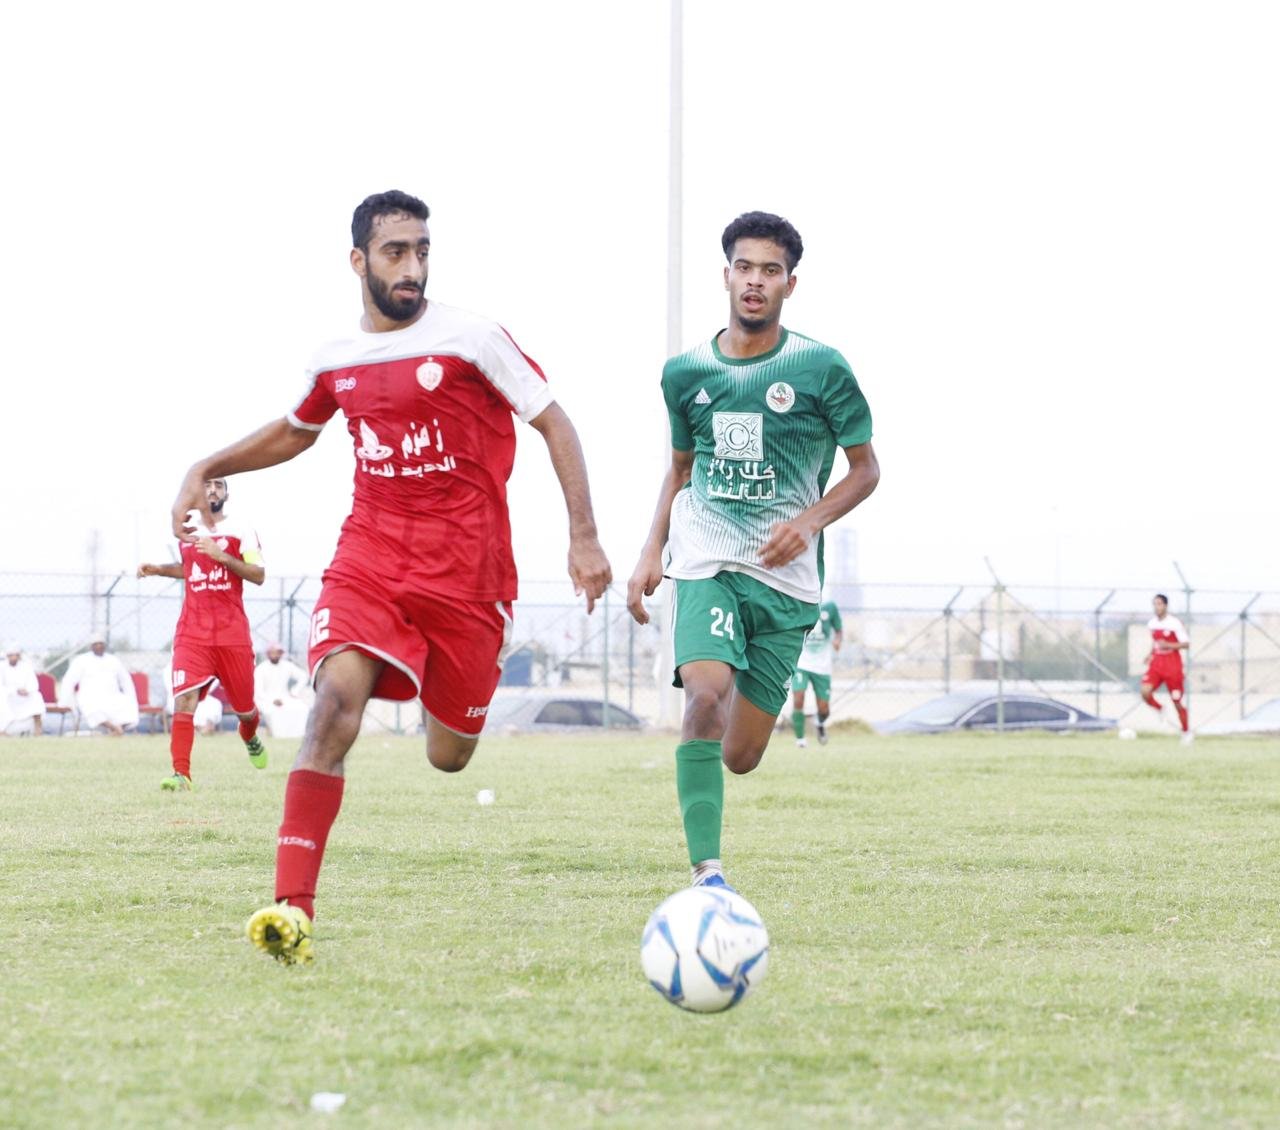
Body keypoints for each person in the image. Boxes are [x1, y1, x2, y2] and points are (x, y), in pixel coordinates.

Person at [169, 190, 611, 964]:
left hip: (469, 572)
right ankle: (291, 911)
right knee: (332, 705)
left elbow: (554, 420)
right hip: (369, 556)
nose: (412, 267)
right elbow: (296, 431)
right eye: (395, 252)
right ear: (358, 261)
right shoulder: (337, 357)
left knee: (450, 755)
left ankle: (450, 689)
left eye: (422, 251)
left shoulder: (473, 338)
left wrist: (584, 537)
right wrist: (206, 465)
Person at [627, 211, 879, 891]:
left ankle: (738, 673)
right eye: (745, 267)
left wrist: (809, 522)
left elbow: (865, 471)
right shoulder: (686, 373)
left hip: (786, 580)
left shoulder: (821, 368)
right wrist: (651, 550)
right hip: (705, 559)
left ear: (790, 284)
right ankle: (706, 875)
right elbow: (681, 468)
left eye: (771, 270)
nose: (755, 281)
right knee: (704, 698)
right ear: (726, 275)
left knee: (739, 755)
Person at [139, 477, 269, 790]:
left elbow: (258, 574)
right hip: (192, 633)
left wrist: (221, 555)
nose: (212, 490)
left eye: (219, 485)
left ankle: (249, 735)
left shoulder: (241, 529)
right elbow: (190, 568)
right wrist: (159, 569)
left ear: (227, 494)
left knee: (245, 710)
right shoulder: (187, 530)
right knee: (184, 700)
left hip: (232, 635)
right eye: (208, 485)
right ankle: (181, 774)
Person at [1141, 592, 1192, 743]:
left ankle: (1186, 732)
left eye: (1159, 604)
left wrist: (1168, 644)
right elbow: (1155, 643)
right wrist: (1150, 654)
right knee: (1145, 691)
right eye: (1154, 604)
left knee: (1177, 701)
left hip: (1172, 665)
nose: (1156, 607)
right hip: (1157, 663)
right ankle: (1160, 708)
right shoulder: (1152, 623)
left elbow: (1186, 644)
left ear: (1165, 606)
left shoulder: (1174, 623)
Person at [62, 635, 138, 736]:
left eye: (101, 644)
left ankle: (118, 729)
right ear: (91, 646)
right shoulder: (81, 660)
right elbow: (69, 680)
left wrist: (131, 696)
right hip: (88, 696)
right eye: (96, 644)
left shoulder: (113, 660)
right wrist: (65, 700)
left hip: (113, 695)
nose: (98, 646)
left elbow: (126, 681)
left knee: (127, 704)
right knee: (91, 707)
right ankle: (114, 728)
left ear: (105, 646)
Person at [791, 599, 843, 747]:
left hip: (822, 666)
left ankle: (820, 723)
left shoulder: (830, 607)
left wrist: (838, 640)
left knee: (824, 709)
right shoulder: (799, 601)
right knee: (798, 697)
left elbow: (839, 630)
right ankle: (800, 740)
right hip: (802, 662)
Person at [254, 642, 311, 738]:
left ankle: (297, 735)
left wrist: (294, 691)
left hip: (285, 697)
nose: (275, 655)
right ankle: (278, 736)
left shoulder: (287, 665)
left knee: (302, 708)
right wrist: (272, 700)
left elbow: (303, 676)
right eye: (272, 652)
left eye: (278, 652)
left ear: (281, 654)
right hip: (266, 700)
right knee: (274, 711)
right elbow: (259, 692)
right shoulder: (261, 669)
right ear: (268, 654)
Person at [1, 645, 45, 736]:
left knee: (37, 697)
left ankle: (38, 729)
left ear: (19, 656)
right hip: (8, 696)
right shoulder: (2, 667)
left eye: (15, 655)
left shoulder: (26, 666)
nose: (13, 658)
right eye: (11, 655)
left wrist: (27, 690)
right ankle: (2, 731)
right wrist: (15, 690)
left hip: (25, 696)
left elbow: (34, 684)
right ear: (7, 656)